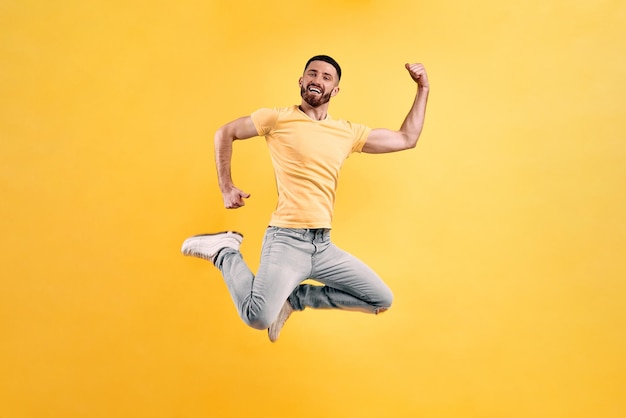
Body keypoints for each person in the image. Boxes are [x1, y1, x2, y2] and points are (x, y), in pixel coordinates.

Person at [182, 55, 429, 342]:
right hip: (286, 240)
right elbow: (225, 133)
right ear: (301, 81)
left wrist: (422, 88)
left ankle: (297, 299)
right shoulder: (276, 118)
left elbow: (406, 138)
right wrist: (226, 186)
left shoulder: (347, 132)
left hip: (323, 246)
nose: (317, 79)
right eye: (312, 74)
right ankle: (225, 251)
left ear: (334, 91)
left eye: (326, 77)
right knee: (257, 317)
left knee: (380, 299)